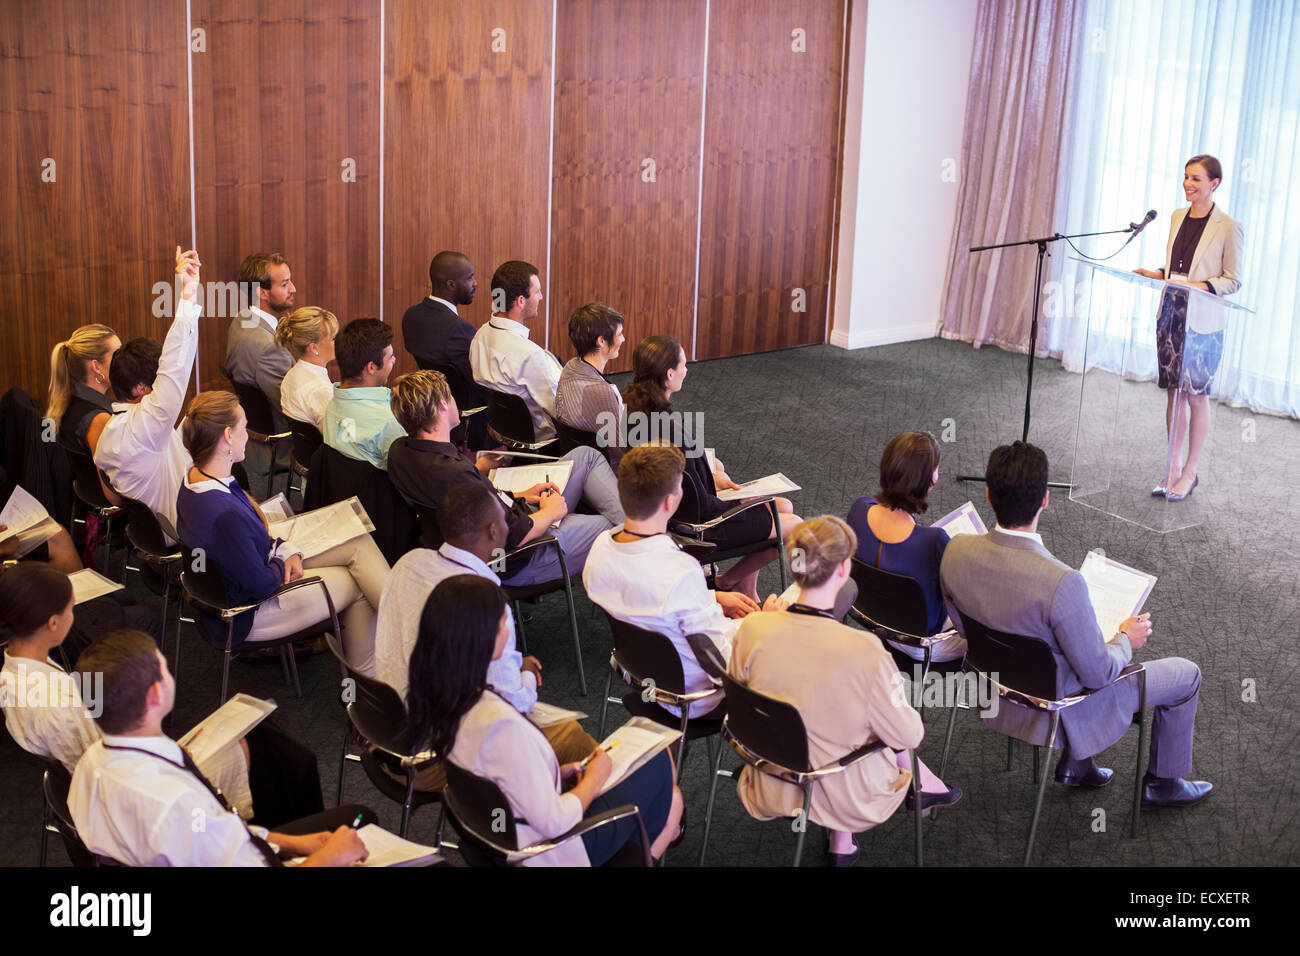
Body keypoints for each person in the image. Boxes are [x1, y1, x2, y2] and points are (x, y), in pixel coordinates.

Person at [939, 441, 1212, 807]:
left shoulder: (954, 550)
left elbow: (961, 628)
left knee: (1056, 646)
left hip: (993, 690)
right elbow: (1098, 676)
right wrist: (1125, 639)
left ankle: (1078, 765)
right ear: (1045, 501)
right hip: (1058, 707)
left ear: (988, 495)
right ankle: (1163, 783)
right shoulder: (1062, 582)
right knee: (1185, 675)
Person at [0, 563, 323, 826]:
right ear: (53, 622)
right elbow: (112, 776)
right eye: (72, 609)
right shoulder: (58, 704)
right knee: (272, 750)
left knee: (261, 737)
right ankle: (287, 841)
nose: (76, 615)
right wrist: (179, 760)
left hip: (122, 775)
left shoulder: (13, 673)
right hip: (141, 800)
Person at [406, 575, 683, 865]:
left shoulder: (444, 699)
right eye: (504, 620)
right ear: (485, 637)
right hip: (551, 849)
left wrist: (552, 773)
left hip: (509, 832)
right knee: (660, 759)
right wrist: (595, 777)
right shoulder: (501, 724)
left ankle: (655, 837)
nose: (508, 627)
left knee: (663, 794)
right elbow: (554, 823)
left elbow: (498, 777)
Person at [731, 516, 961, 866]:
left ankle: (845, 844)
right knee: (871, 720)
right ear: (843, 571)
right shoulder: (865, 651)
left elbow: (742, 697)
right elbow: (910, 733)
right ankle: (861, 828)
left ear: (795, 567)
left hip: (769, 775)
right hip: (841, 791)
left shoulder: (753, 627)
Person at [68, 629, 373, 866]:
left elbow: (213, 837)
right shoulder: (179, 803)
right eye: (164, 667)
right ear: (155, 695)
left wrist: (287, 842)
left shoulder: (90, 763)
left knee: (265, 743)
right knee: (361, 819)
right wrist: (332, 856)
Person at [374, 483, 596, 790]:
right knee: (572, 739)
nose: (511, 523)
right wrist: (528, 674)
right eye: (507, 518)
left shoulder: (408, 564)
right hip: (435, 757)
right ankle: (608, 823)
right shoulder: (484, 602)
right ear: (493, 531)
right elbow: (515, 705)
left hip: (388, 735)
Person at [175, 391, 390, 675]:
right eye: (243, 428)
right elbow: (262, 584)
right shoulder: (224, 513)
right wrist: (283, 559)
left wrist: (285, 550)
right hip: (247, 614)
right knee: (358, 583)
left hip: (242, 580)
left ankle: (404, 641)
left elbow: (249, 542)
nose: (248, 436)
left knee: (358, 542)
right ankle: (371, 676)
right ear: (227, 436)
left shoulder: (195, 478)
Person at [583, 443, 784, 719]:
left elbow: (643, 592)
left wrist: (710, 598)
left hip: (638, 669)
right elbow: (722, 666)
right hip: (695, 694)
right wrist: (767, 626)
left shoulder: (600, 548)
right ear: (670, 502)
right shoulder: (681, 571)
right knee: (799, 636)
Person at [386, 369, 623, 586]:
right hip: (513, 557)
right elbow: (516, 536)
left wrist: (519, 495)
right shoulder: (456, 473)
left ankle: (647, 533)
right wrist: (551, 512)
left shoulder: (400, 453)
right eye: (450, 396)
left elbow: (465, 501)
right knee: (608, 526)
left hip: (489, 527)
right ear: (441, 405)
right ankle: (647, 537)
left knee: (586, 456)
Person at [623, 334, 801, 599]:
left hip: (669, 513)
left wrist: (714, 476)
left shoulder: (635, 412)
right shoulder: (669, 427)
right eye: (683, 364)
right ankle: (730, 581)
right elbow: (701, 506)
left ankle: (745, 586)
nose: (687, 369)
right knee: (793, 524)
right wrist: (741, 501)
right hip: (699, 525)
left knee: (782, 506)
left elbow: (689, 481)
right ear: (669, 374)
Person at [1133, 154, 1244, 501]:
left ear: (1214, 184)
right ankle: (1171, 468)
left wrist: (1203, 287)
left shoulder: (1228, 226)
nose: (1188, 184)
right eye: (1185, 178)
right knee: (1173, 393)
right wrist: (1157, 274)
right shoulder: (1177, 216)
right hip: (1171, 312)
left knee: (1195, 396)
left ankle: (1190, 472)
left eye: (1196, 179)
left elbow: (1233, 280)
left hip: (1204, 320)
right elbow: (1176, 267)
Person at [90, 247, 202, 539]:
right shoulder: (147, 426)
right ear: (141, 389)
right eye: (156, 381)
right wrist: (188, 293)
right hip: (180, 532)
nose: (162, 387)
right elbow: (176, 363)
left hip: (149, 535)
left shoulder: (113, 431)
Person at [846, 432, 965, 663]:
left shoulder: (859, 509)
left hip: (871, 618)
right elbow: (960, 603)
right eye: (936, 469)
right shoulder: (934, 541)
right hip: (923, 644)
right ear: (929, 479)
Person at [469, 259, 562, 442]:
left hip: (505, 432)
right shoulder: (529, 355)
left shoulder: (479, 336)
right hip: (545, 441)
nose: (541, 297)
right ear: (521, 301)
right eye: (537, 292)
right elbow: (561, 413)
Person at [403, 251, 487, 449]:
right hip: (464, 419)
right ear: (450, 285)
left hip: (427, 409)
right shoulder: (459, 329)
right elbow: (480, 382)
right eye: (470, 278)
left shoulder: (411, 316)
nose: (475, 283)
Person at [224, 252, 296, 433]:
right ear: (262, 292)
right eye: (285, 284)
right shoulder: (269, 348)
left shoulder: (241, 320)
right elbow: (294, 409)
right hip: (282, 446)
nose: (293, 289)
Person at [320, 318, 405, 470]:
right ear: (371, 367)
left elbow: (350, 438)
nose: (394, 360)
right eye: (390, 357)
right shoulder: (388, 422)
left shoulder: (332, 406)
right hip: (379, 491)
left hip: (340, 489)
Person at [46, 323, 120, 459]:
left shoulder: (68, 404)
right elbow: (111, 479)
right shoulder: (100, 419)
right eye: (117, 355)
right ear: (96, 367)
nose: (124, 362)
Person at [555, 302, 626, 437]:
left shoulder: (571, 366)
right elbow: (618, 450)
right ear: (601, 341)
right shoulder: (602, 393)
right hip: (599, 456)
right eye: (619, 334)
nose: (623, 339)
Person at [275, 306, 339, 430]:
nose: (339, 342)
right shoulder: (320, 389)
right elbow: (338, 439)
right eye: (333, 339)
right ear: (314, 348)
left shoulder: (292, 374)